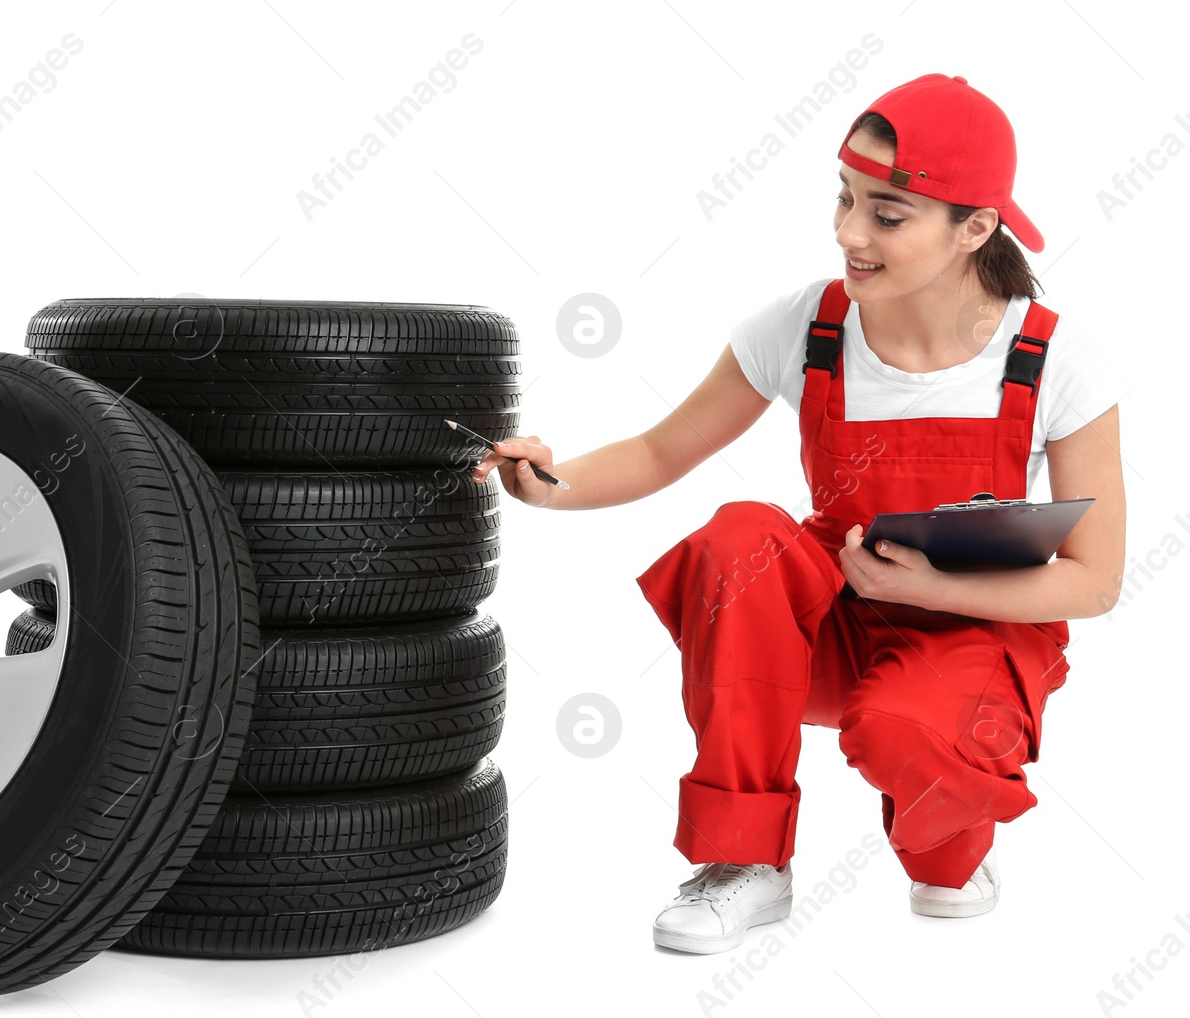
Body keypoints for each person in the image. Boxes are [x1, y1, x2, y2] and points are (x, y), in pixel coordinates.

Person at [470, 73, 1127, 954]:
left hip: (974, 631)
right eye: (846, 198)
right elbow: (662, 451)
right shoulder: (809, 325)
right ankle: (746, 863)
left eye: (888, 215)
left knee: (914, 775)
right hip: (830, 623)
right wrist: (551, 484)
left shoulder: (1051, 355)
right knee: (740, 535)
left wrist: (936, 587)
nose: (850, 233)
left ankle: (953, 849)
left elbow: (1096, 582)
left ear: (975, 227)